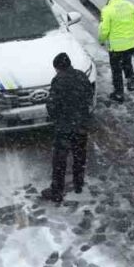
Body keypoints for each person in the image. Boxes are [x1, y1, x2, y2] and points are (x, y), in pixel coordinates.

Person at [41, 53, 95, 203]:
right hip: (81, 124)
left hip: (64, 126)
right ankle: (78, 183)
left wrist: (57, 118)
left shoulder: (58, 80)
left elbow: (52, 105)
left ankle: (57, 191)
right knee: (79, 155)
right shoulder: (81, 76)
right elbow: (89, 95)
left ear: (58, 68)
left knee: (60, 159)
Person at [98, 0, 134, 103]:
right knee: (127, 61)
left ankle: (119, 93)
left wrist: (101, 40)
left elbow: (104, 30)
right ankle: (131, 80)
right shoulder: (130, 5)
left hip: (116, 47)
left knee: (116, 69)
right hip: (132, 42)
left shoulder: (107, 10)